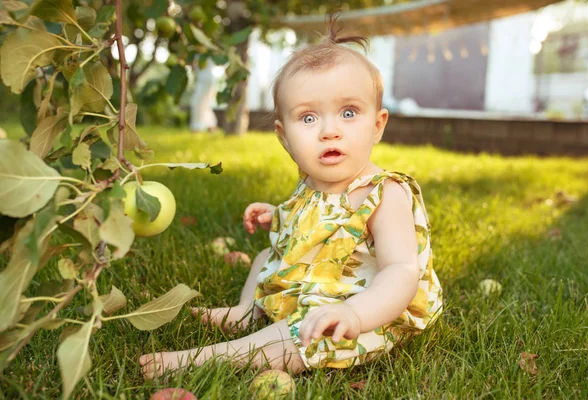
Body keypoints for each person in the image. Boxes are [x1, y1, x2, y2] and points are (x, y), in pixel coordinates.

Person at [139, 15, 443, 379]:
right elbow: (319, 224)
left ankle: (208, 357)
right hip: (315, 283)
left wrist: (354, 315)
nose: (330, 131)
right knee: (267, 255)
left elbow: (401, 272)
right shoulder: (314, 180)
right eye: (309, 118)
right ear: (283, 137)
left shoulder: (386, 193)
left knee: (303, 336)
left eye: (348, 113)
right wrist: (279, 216)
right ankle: (244, 312)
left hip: (366, 306)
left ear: (377, 125)